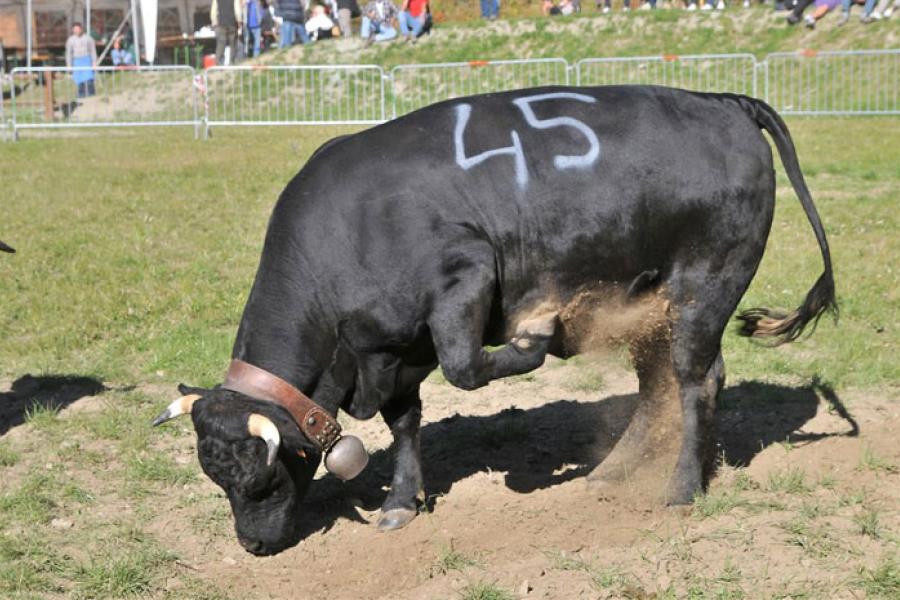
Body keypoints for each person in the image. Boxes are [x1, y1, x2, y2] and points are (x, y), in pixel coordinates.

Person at [65, 22, 97, 98]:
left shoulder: (88, 38)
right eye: (75, 29)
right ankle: (81, 97)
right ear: (73, 30)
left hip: (87, 60)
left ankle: (92, 97)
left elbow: (93, 51)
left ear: (81, 29)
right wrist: (69, 65)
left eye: (78, 29)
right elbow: (69, 54)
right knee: (79, 82)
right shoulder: (70, 40)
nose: (76, 31)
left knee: (89, 80)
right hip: (77, 62)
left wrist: (94, 62)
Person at [212, 0, 242, 64]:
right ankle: (232, 62)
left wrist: (214, 22)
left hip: (221, 24)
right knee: (233, 44)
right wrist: (239, 21)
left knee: (221, 44)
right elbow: (237, 10)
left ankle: (218, 62)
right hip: (232, 23)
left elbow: (213, 12)